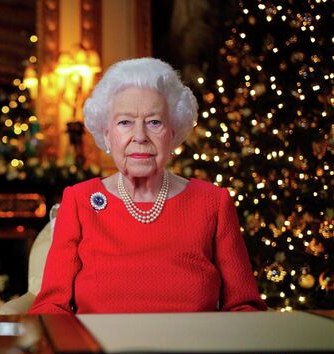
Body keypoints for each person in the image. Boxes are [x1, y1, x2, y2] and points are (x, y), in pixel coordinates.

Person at [29, 58, 267, 314]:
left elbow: (244, 306)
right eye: (125, 122)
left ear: (173, 133)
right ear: (107, 134)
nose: (140, 136)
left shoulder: (212, 202)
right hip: (100, 351)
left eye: (154, 122)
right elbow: (51, 307)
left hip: (192, 351)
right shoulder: (79, 200)